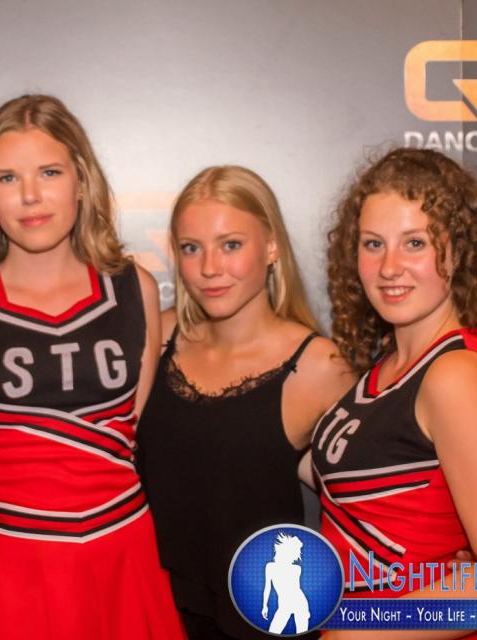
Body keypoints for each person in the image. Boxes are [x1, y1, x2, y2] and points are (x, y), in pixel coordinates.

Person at [0, 95, 184, 639]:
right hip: (3, 565)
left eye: (49, 172)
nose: (30, 195)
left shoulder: (135, 289)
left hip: (120, 558)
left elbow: (129, 435)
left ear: (81, 180)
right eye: (7, 178)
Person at [135, 165, 355, 639]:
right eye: (191, 248)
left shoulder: (320, 366)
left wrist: (445, 562)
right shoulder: (158, 335)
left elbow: (374, 497)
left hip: (261, 622)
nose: (209, 267)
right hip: (156, 612)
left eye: (231, 245)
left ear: (271, 246)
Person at [313, 147, 477, 640]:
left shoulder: (454, 375)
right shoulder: (385, 369)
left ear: (457, 251)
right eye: (373, 244)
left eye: (415, 243)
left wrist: (357, 630)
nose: (388, 267)